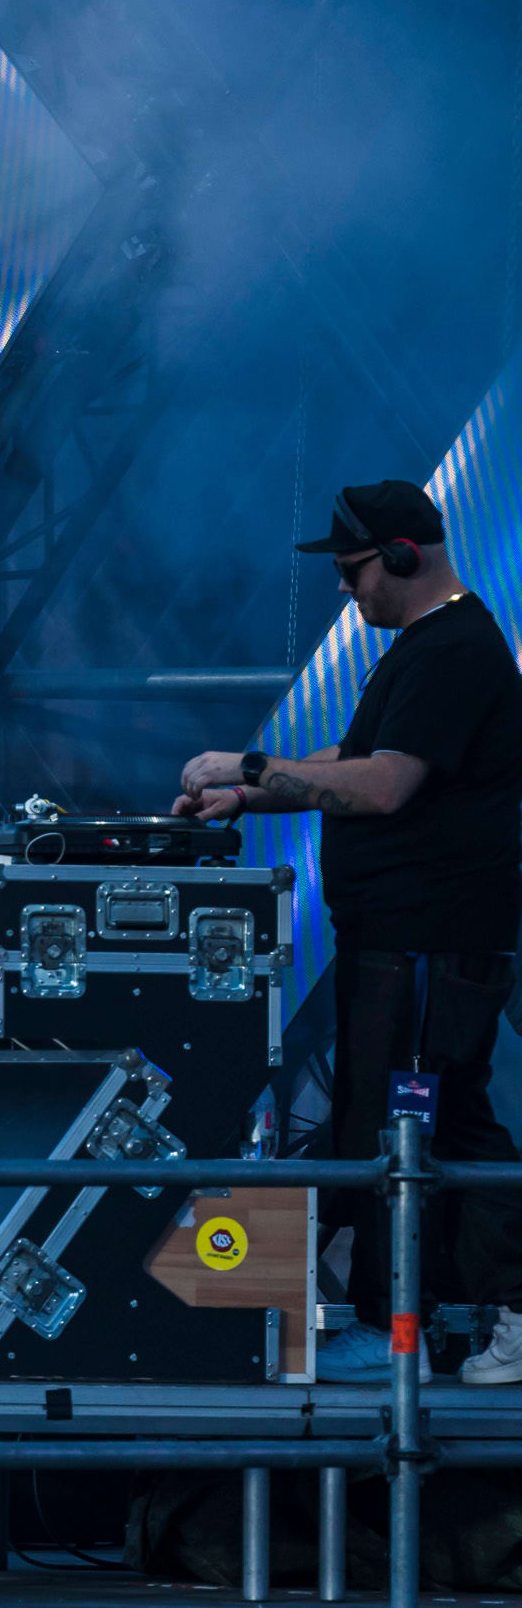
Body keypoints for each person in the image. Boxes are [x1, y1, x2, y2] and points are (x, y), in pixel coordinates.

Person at [175, 480, 522, 1386]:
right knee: (397, 1123)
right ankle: (411, 1327)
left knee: (432, 1124)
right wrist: (248, 793)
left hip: (430, 939)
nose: (344, 587)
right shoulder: (423, 649)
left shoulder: (455, 649)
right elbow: (354, 756)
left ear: (402, 556)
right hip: (398, 938)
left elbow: (386, 785)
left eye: (352, 568)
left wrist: (253, 762)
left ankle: (459, 1319)